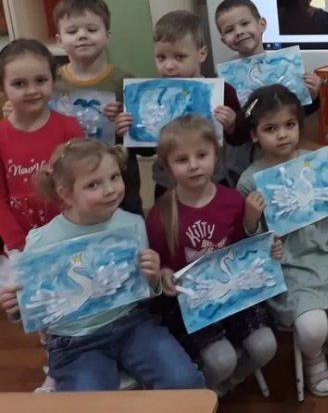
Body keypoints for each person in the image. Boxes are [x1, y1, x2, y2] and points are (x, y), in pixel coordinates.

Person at [0, 139, 204, 392]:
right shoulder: (41, 242)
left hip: (132, 324)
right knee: (92, 402)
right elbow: (34, 305)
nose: (110, 190)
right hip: (75, 341)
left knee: (185, 382)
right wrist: (17, 307)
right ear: (66, 194)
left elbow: (143, 291)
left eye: (114, 177)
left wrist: (153, 277)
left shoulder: (132, 224)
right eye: (93, 185)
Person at [237, 84, 328, 397]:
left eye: (289, 125)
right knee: (312, 326)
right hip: (288, 264)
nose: (282, 135)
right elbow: (249, 242)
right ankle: (313, 355)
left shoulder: (313, 160)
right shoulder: (249, 181)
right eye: (270, 128)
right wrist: (251, 218)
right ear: (254, 135)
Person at [146, 115, 279, 395]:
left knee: (266, 346)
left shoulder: (232, 200)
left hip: (233, 292)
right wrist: (164, 275)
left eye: (201, 155)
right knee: (221, 360)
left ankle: (228, 384)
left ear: (216, 156)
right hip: (190, 302)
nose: (194, 165)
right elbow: (160, 268)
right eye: (182, 160)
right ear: (167, 168)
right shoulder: (160, 216)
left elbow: (245, 251)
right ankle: (204, 392)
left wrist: (263, 239)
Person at [115, 10, 249, 196]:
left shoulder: (223, 91)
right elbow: (147, 150)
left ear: (201, 53)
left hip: (214, 182)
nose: (169, 66)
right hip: (168, 185)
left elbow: (239, 139)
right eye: (161, 57)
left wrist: (233, 125)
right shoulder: (152, 97)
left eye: (179, 57)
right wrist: (127, 131)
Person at [52, 0, 142, 214]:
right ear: (59, 40)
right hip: (72, 184)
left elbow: (142, 140)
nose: (82, 36)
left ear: (107, 35)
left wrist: (125, 122)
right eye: (72, 31)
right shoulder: (51, 82)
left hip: (119, 182)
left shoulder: (124, 81)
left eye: (92, 30)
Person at [214, 0, 321, 183]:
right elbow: (235, 136)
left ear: (261, 24)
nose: (239, 32)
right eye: (230, 30)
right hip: (244, 164)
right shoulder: (225, 80)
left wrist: (313, 95)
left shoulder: (286, 65)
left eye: (245, 23)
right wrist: (231, 127)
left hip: (284, 157)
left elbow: (296, 112)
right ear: (223, 40)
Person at [0, 39, 84, 254]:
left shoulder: (69, 128)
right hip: (21, 246)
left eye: (40, 80)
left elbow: (82, 185)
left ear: (53, 80)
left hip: (71, 237)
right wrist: (17, 244)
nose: (32, 90)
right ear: (3, 88)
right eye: (19, 84)